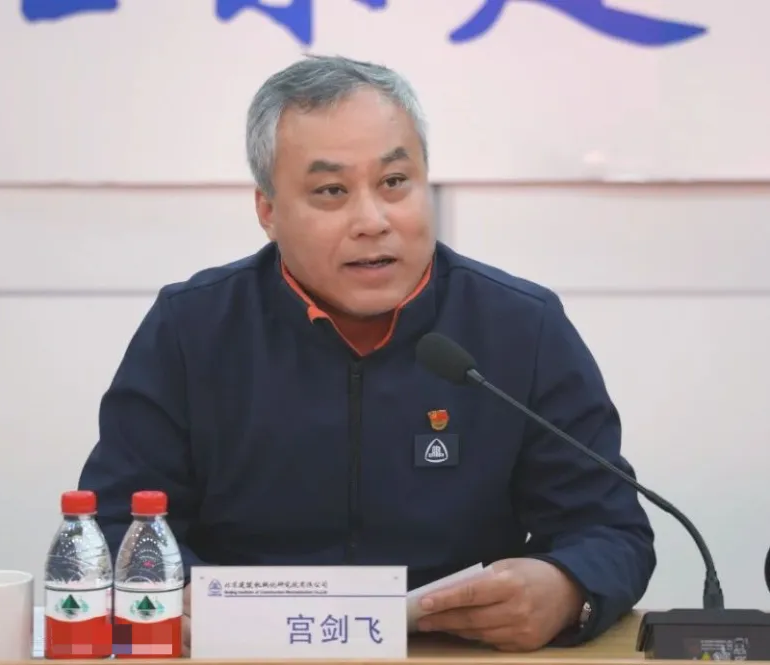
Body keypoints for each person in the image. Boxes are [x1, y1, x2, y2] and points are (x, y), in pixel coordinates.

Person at [78, 54, 655, 654]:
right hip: (248, 649)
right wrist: (170, 589)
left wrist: (567, 587)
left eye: (395, 183)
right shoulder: (192, 328)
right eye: (331, 191)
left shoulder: (520, 326)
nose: (373, 220)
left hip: (453, 653)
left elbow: (609, 528)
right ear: (268, 211)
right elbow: (115, 519)